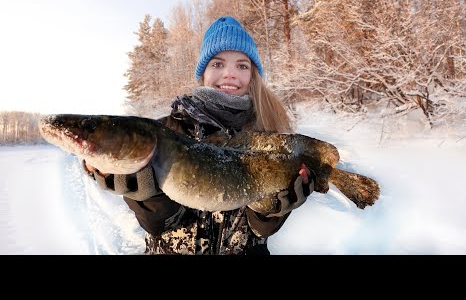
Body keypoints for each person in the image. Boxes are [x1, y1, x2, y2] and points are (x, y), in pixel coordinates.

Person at [82, 15, 315, 255]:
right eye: (217, 64)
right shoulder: (163, 132)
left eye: (242, 65)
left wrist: (270, 211)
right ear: (202, 73)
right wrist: (146, 197)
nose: (230, 74)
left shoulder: (270, 138)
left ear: (253, 76)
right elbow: (157, 225)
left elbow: (260, 231)